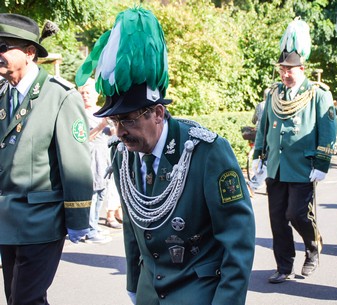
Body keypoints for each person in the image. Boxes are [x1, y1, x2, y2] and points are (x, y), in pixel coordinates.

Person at [75, 7, 255, 305]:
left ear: (158, 113)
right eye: (115, 122)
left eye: (129, 119)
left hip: (199, 292)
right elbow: (133, 230)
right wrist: (134, 285)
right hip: (149, 292)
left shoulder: (206, 152)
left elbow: (238, 240)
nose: (120, 131)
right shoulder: (124, 156)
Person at [0, 13, 93, 304]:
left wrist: (78, 219)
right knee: (17, 297)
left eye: (3, 45)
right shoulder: (3, 94)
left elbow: (75, 165)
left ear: (29, 53)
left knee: (25, 301)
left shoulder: (60, 96)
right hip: (6, 221)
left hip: (41, 222)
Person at [253, 18, 336, 283]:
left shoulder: (318, 94)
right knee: (277, 219)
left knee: (297, 214)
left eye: (290, 70)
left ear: (302, 69)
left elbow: (328, 132)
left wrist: (322, 164)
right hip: (276, 166)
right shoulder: (273, 94)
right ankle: (284, 266)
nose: (285, 75)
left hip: (303, 167)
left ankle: (312, 248)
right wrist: (259, 157)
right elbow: (264, 128)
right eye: (282, 70)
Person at [79, 79, 119, 241]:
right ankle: (89, 230)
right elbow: (83, 138)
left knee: (102, 193)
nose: (85, 96)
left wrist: (117, 121)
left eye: (88, 93)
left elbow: (112, 133)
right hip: (90, 158)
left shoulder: (100, 111)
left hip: (104, 158)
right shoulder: (79, 113)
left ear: (96, 95)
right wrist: (100, 126)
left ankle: (94, 225)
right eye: (83, 93)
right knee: (92, 195)